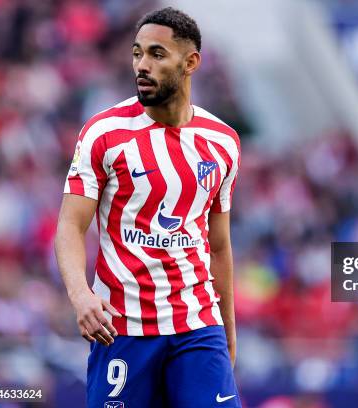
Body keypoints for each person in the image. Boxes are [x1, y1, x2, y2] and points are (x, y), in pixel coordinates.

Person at [54, 7, 241, 407]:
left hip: (197, 325)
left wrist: (228, 333)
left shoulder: (223, 142)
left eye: (157, 54)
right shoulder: (104, 133)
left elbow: (220, 247)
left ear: (190, 63)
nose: (142, 65)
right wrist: (81, 295)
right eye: (137, 53)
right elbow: (70, 225)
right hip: (123, 328)